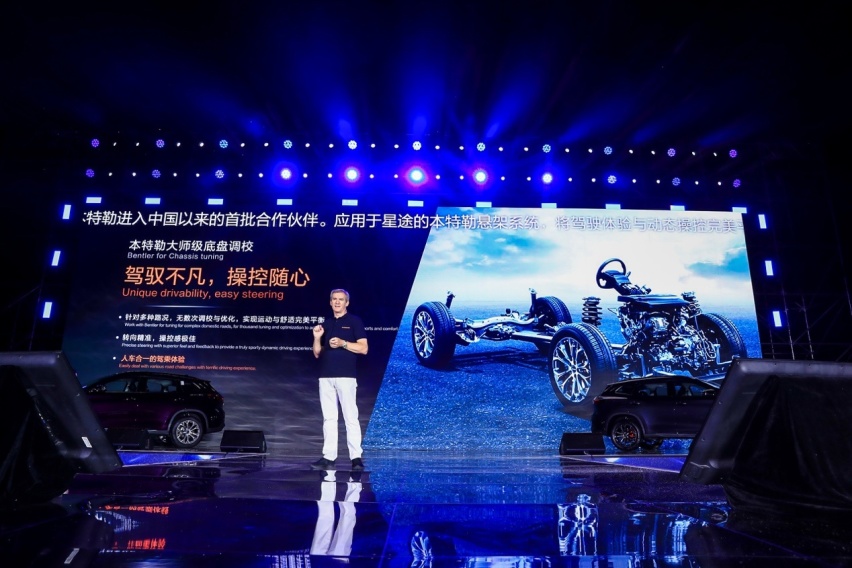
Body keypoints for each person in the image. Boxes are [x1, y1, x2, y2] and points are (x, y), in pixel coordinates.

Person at [311, 288, 368, 470]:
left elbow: (363, 348)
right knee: (329, 418)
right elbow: (317, 353)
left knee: (351, 417)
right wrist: (317, 338)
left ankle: (356, 458)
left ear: (347, 303)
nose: (337, 302)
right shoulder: (326, 324)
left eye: (341, 299)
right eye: (334, 299)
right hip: (326, 377)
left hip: (346, 376)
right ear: (330, 302)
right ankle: (328, 457)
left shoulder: (354, 321)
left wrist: (343, 343)